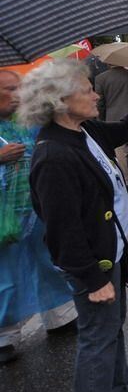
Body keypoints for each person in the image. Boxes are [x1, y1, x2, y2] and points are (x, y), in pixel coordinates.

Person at [24, 60, 128, 392]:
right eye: (87, 89)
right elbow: (61, 229)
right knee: (97, 338)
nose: (96, 94)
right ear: (59, 100)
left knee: (111, 327)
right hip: (92, 265)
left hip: (109, 253)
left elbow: (125, 130)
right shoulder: (54, 155)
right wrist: (91, 278)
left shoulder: (82, 131)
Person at [0, 70, 77, 366]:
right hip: (5, 217)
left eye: (20, 88)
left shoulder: (28, 121)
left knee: (49, 262)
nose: (18, 94)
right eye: (10, 89)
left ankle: (60, 315)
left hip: (36, 207)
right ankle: (4, 335)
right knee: (6, 276)